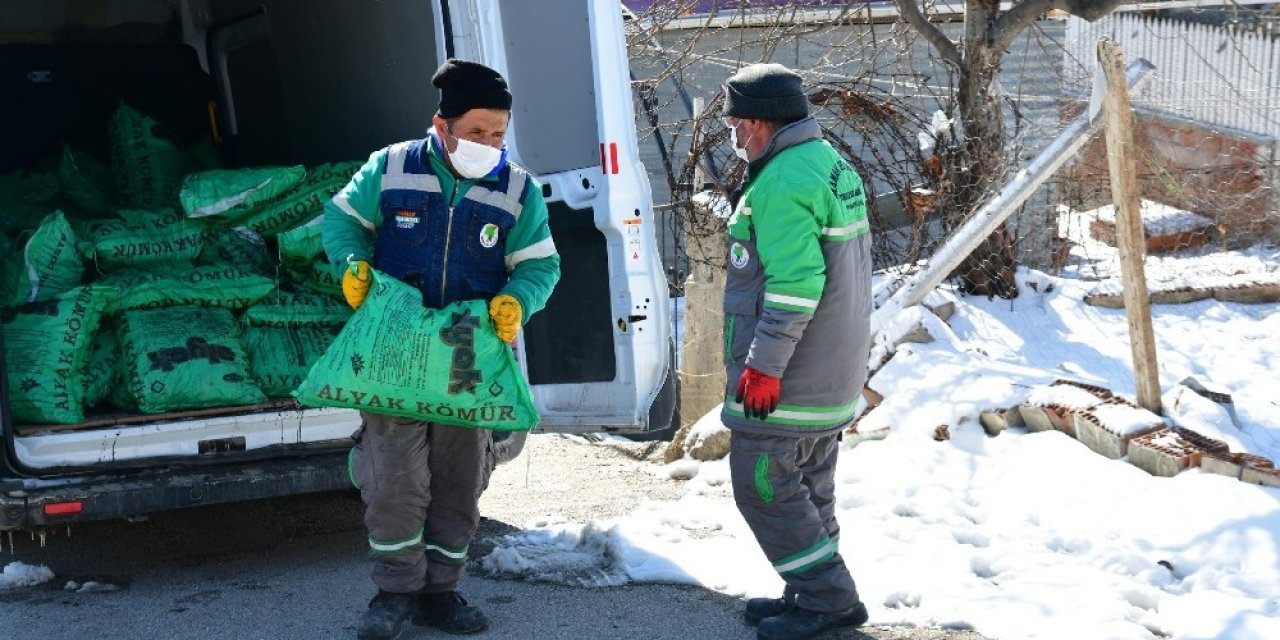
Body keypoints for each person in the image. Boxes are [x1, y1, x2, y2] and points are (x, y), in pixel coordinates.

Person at [322, 58, 560, 640]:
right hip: (396, 353)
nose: (489, 144)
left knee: (460, 478)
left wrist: (518, 301)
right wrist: (350, 265)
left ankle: (442, 592)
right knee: (395, 478)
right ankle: (394, 592)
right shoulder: (392, 167)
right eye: (477, 131)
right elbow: (341, 220)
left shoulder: (517, 189)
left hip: (466, 358)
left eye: (499, 132)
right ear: (442, 125)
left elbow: (540, 265)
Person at [718, 63, 873, 640]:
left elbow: (793, 288)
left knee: (761, 483)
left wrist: (762, 366)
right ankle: (807, 590)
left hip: (790, 379)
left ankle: (829, 598)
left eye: (736, 123)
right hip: (833, 371)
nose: (733, 136)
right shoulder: (829, 164)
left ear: (758, 123)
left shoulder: (783, 180)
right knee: (809, 486)